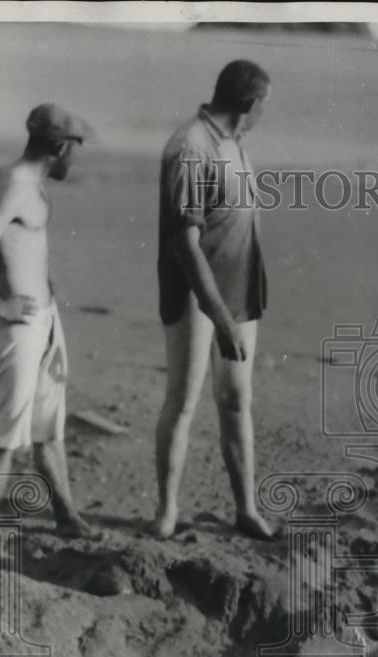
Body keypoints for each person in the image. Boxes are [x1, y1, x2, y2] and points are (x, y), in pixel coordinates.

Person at [0, 103, 101, 539]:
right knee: (5, 437)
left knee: (48, 428)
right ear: (58, 146)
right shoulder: (17, 183)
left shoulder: (28, 182)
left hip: (43, 323)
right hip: (18, 329)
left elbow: (18, 248)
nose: (78, 158)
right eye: (76, 148)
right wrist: (1, 305)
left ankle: (66, 516)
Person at [152, 60, 275, 540]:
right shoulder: (190, 147)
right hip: (194, 290)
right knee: (183, 399)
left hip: (238, 287)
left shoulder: (234, 142)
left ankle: (246, 508)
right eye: (265, 104)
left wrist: (234, 308)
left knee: (236, 398)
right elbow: (185, 243)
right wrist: (219, 317)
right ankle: (166, 512)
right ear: (250, 104)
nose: (266, 112)